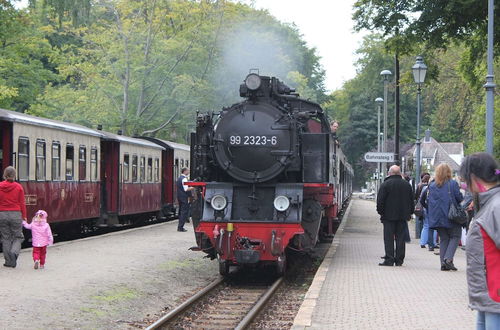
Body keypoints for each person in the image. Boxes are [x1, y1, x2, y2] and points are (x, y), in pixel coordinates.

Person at [459, 153, 500, 329]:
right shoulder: (490, 204)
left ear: (473, 177)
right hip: (487, 295)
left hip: (495, 294)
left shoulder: (496, 206)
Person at [427, 163, 463, 271]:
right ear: (449, 172)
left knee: (444, 239)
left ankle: (443, 264)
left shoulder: (432, 185)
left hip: (437, 217)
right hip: (450, 216)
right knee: (455, 236)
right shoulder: (452, 184)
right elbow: (459, 198)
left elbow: (428, 200)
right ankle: (448, 259)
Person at [376, 165, 415, 266]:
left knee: (388, 238)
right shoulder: (406, 185)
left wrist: (381, 212)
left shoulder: (385, 184)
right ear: (399, 173)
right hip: (403, 216)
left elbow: (380, 201)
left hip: (388, 216)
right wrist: (410, 213)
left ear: (390, 173)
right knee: (401, 238)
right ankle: (399, 260)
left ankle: (389, 259)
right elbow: (412, 200)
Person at [0, 166, 27, 268]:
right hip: (16, 214)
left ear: (4, 175)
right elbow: (22, 203)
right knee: (18, 237)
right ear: (14, 175)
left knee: (5, 238)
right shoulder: (19, 187)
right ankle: (14, 253)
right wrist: (24, 216)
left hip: (2, 214)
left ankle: (8, 262)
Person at [177, 167, 194, 232]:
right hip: (184, 197)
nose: (189, 172)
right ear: (185, 171)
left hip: (180, 197)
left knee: (181, 212)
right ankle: (180, 227)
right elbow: (186, 189)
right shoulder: (184, 179)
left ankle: (180, 226)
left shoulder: (179, 178)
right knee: (184, 212)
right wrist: (193, 187)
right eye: (188, 171)